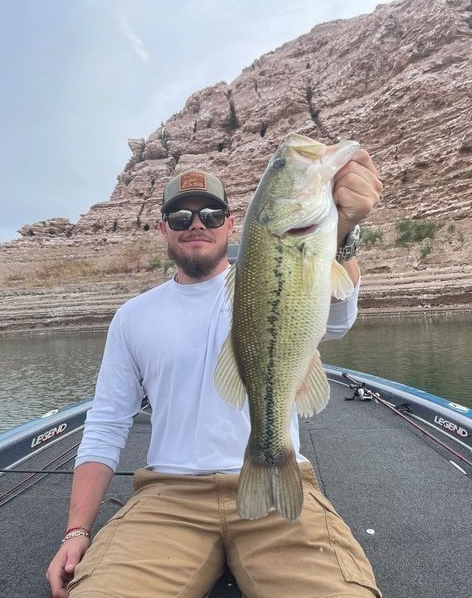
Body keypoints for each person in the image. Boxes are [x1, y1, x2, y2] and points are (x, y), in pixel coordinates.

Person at [47, 150, 383, 598]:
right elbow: (106, 424)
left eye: (210, 212)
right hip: (168, 498)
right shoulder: (132, 317)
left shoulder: (270, 272)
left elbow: (336, 323)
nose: (196, 223)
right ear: (163, 228)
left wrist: (342, 236)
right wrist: (76, 531)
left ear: (230, 223)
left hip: (279, 490)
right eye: (180, 216)